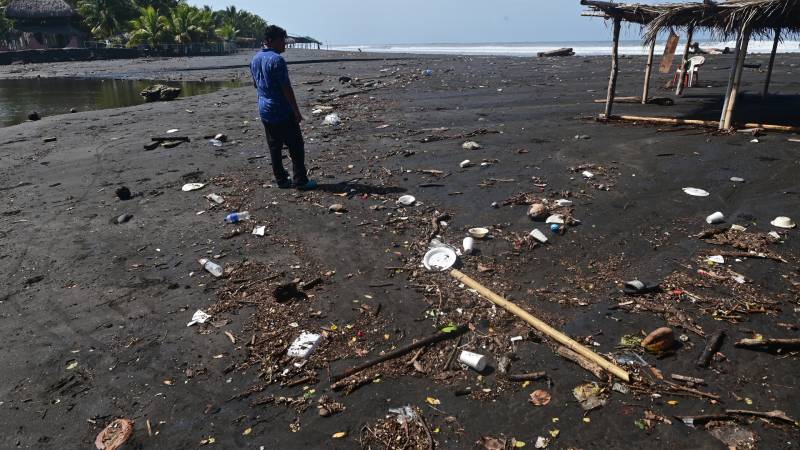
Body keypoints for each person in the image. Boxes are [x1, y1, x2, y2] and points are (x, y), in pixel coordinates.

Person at [250, 25, 316, 190]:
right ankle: (300, 180)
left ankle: (281, 180)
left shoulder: (255, 59)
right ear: (271, 41)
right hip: (281, 109)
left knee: (275, 146)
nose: (284, 44)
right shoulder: (276, 60)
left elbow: (255, 84)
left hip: (265, 108)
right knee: (296, 146)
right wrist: (296, 112)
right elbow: (286, 88)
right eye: (282, 41)